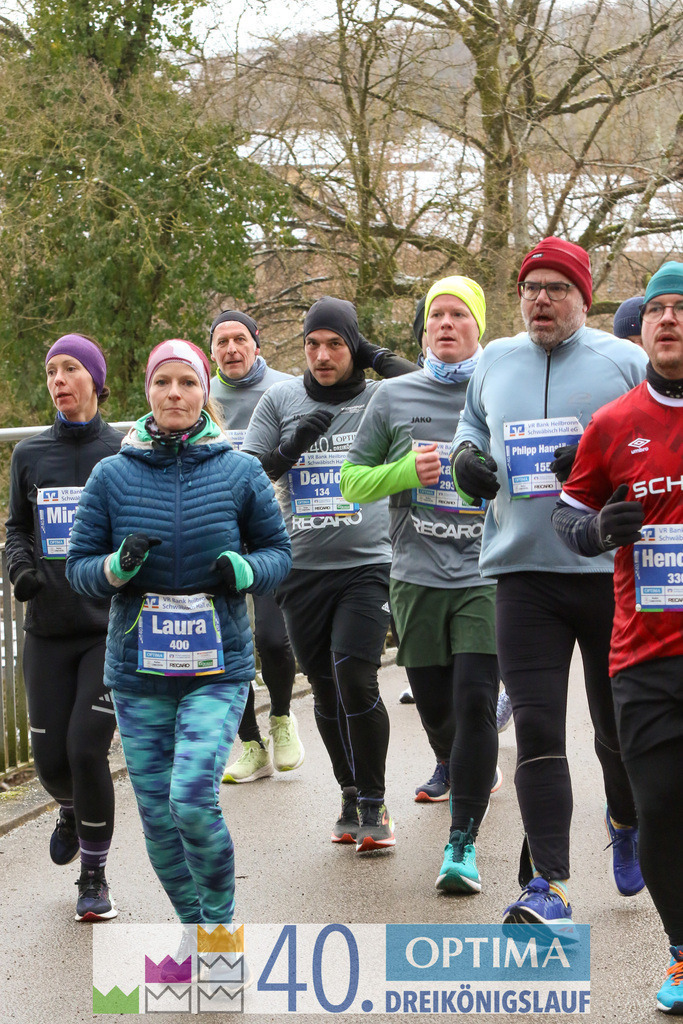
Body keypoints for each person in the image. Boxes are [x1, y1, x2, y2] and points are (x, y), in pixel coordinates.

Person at [450, 236, 648, 925]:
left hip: (606, 574)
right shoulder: (494, 360)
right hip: (522, 572)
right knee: (535, 728)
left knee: (614, 730)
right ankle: (549, 885)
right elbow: (470, 424)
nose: (541, 299)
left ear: (582, 299)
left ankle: (625, 820)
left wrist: (599, 463)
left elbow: (656, 446)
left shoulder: (622, 361)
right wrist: (465, 460)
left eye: (556, 288)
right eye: (531, 288)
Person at [66, 339, 291, 925]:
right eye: (162, 382)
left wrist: (246, 570)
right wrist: (116, 567)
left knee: (190, 799)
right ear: (148, 392)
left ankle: (219, 923)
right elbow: (79, 568)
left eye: (188, 382)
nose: (174, 393)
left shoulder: (240, 470)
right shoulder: (111, 475)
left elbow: (278, 554)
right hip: (139, 673)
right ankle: (199, 930)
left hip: (216, 669)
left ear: (204, 393)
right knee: (160, 821)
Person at [340, 276, 500, 893]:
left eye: (460, 314)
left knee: (475, 701)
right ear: (425, 328)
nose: (447, 324)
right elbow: (351, 481)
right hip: (416, 576)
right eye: (437, 315)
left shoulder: (500, 389)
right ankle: (459, 763)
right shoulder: (393, 395)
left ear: (479, 326)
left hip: (485, 572)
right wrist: (407, 470)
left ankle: (461, 844)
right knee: (437, 710)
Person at [552, 261, 683, 1014]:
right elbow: (566, 518)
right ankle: (681, 952)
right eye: (658, 308)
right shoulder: (614, 423)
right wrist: (598, 528)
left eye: (682, 307)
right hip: (645, 654)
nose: (669, 319)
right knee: (660, 807)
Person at [242, 296, 416, 852]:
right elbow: (248, 475)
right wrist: (291, 447)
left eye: (336, 344)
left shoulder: (378, 396)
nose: (322, 355)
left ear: (353, 346)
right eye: (312, 344)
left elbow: (429, 387)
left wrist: (374, 354)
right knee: (322, 686)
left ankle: (375, 801)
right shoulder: (281, 399)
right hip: (302, 568)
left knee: (355, 677)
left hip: (369, 563)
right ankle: (349, 792)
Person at [5, 334, 122, 922]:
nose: (58, 380)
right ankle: (71, 810)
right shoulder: (30, 454)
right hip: (48, 629)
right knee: (51, 763)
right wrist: (20, 567)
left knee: (85, 748)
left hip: (108, 628)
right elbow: (17, 529)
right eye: (51, 371)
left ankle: (94, 877)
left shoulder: (123, 451)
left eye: (70, 368)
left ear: (94, 380)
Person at [208, 310, 302, 783]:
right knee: (230, 645)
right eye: (222, 341)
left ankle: (281, 717)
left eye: (239, 339)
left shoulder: (285, 389)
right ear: (212, 352)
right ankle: (250, 744)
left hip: (271, 535)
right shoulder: (202, 395)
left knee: (271, 638)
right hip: (219, 537)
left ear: (256, 344)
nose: (231, 348)